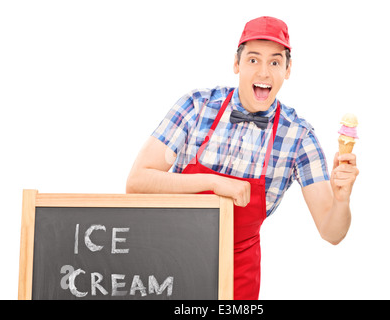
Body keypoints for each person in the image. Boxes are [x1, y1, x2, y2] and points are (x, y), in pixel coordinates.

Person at [126, 16, 359, 300]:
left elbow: (331, 232)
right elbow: (137, 182)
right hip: (170, 265)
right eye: (253, 60)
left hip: (237, 279)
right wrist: (215, 184)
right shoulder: (197, 106)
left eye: (275, 62)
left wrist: (342, 199)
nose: (263, 72)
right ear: (236, 64)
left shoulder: (299, 137)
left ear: (288, 70)